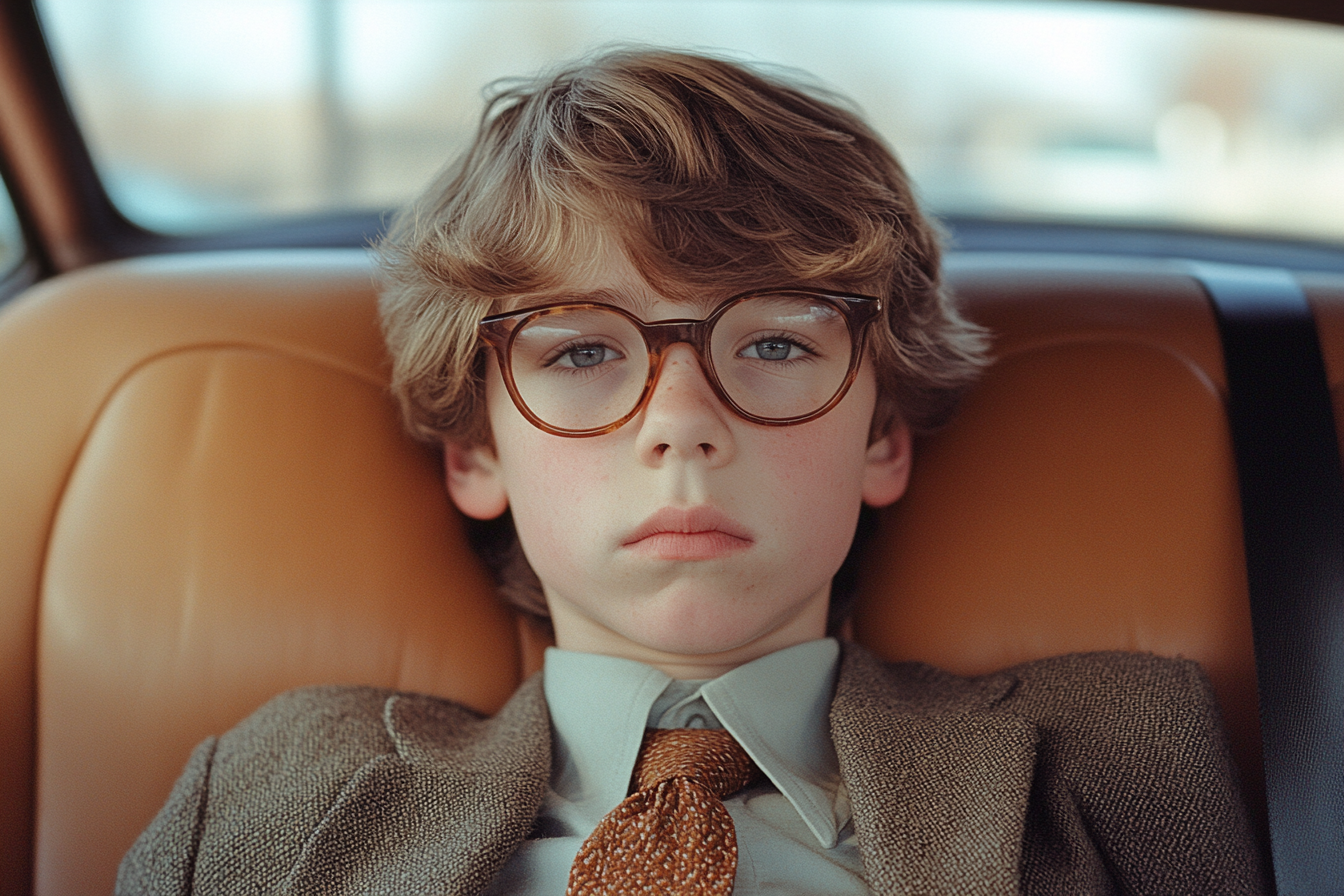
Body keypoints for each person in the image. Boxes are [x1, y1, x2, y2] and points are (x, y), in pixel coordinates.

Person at [116, 47, 1267, 895]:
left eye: (772, 343)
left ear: (881, 435)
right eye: (577, 351)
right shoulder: (274, 786)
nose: (681, 424)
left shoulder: (1117, 755)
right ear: (475, 450)